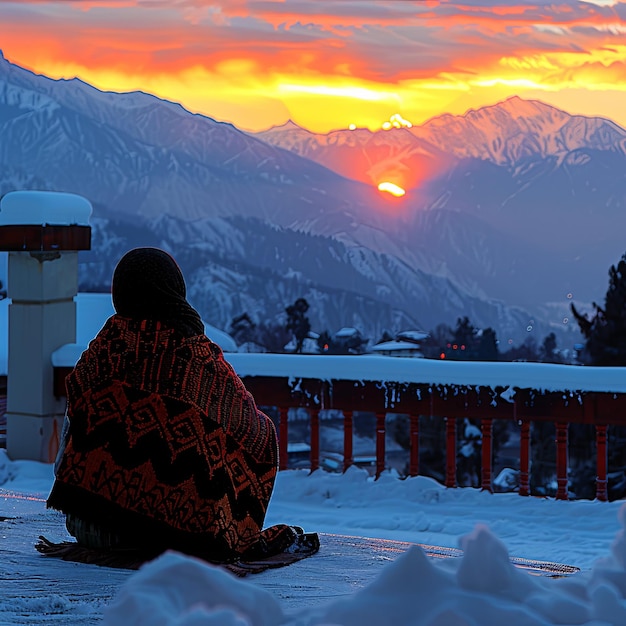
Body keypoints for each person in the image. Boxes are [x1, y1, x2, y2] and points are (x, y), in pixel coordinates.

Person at [47, 247, 318, 566]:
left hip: (90, 527)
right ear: (176, 290)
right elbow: (259, 437)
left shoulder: (99, 355)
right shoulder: (198, 359)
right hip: (176, 535)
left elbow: (63, 462)